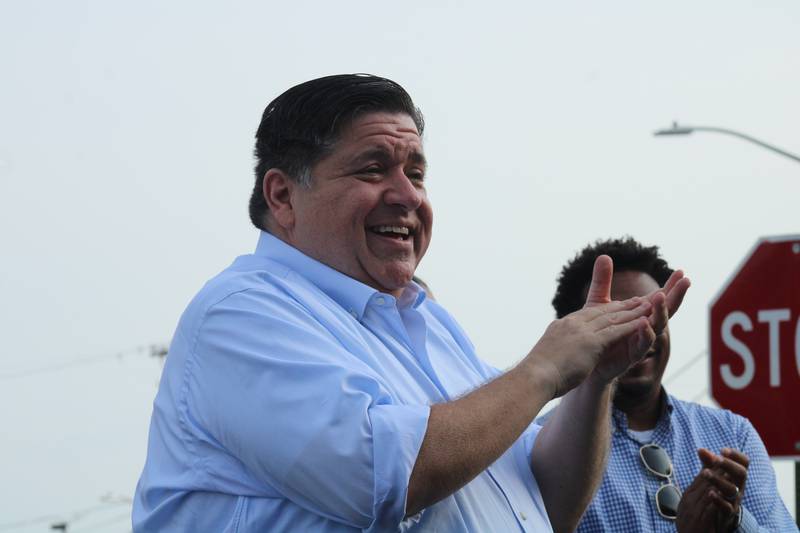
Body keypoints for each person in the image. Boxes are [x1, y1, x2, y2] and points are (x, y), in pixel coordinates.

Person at [132, 75, 689, 532]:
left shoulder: (428, 322)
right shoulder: (240, 313)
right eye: (373, 168)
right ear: (282, 196)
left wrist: (595, 381)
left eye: (416, 173)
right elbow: (381, 477)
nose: (407, 195)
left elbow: (547, 503)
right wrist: (545, 368)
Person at [544, 237, 795, 532]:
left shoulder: (732, 434)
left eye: (653, 315)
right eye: (616, 319)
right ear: (574, 334)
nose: (640, 334)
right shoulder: (539, 448)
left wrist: (734, 523)